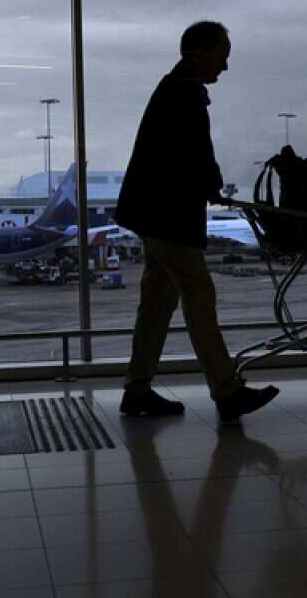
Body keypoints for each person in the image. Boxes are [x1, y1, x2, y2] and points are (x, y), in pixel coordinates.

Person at [113, 21, 280, 424]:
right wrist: (213, 185)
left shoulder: (173, 89)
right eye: (222, 55)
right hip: (167, 215)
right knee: (199, 294)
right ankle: (226, 390)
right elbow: (194, 155)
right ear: (198, 54)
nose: (225, 66)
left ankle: (137, 390)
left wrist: (208, 184)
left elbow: (181, 156)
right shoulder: (184, 95)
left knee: (158, 301)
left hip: (151, 213)